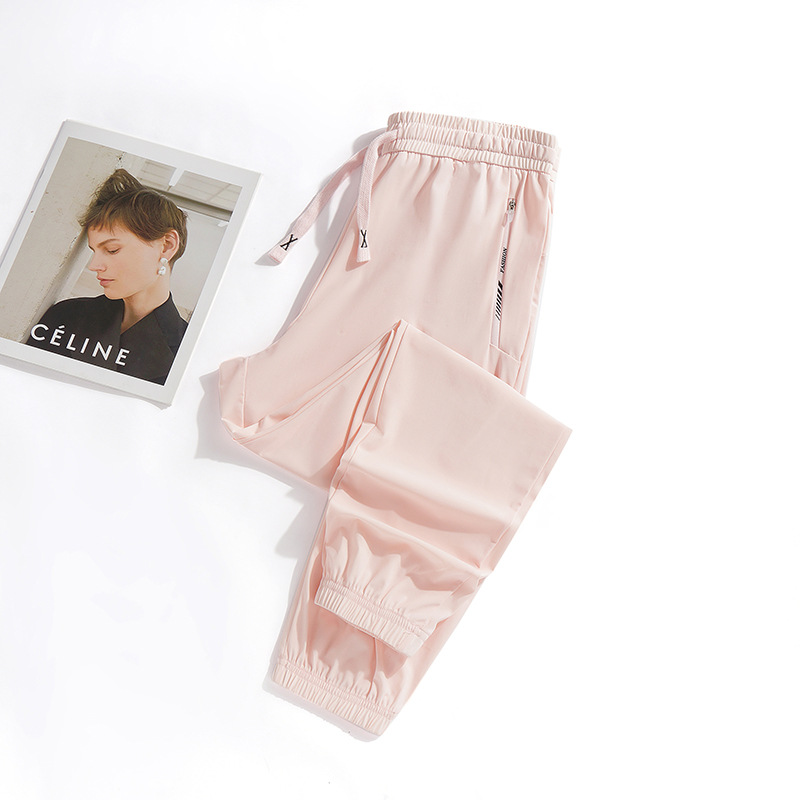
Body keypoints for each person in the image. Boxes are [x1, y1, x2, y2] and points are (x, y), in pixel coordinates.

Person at [26, 169, 189, 385]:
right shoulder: (65, 316)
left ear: (167, 245)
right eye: (94, 251)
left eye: (112, 250)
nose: (94, 266)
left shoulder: (189, 355)